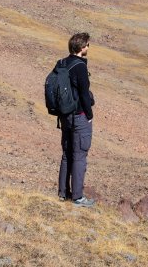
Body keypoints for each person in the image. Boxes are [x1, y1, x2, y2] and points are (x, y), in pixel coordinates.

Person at [58, 32, 96, 207]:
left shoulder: (62, 63)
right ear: (82, 47)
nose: (88, 47)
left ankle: (63, 193)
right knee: (80, 155)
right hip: (79, 116)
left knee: (67, 154)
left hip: (65, 116)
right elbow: (83, 94)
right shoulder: (80, 66)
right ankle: (78, 197)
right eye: (88, 45)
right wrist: (89, 115)